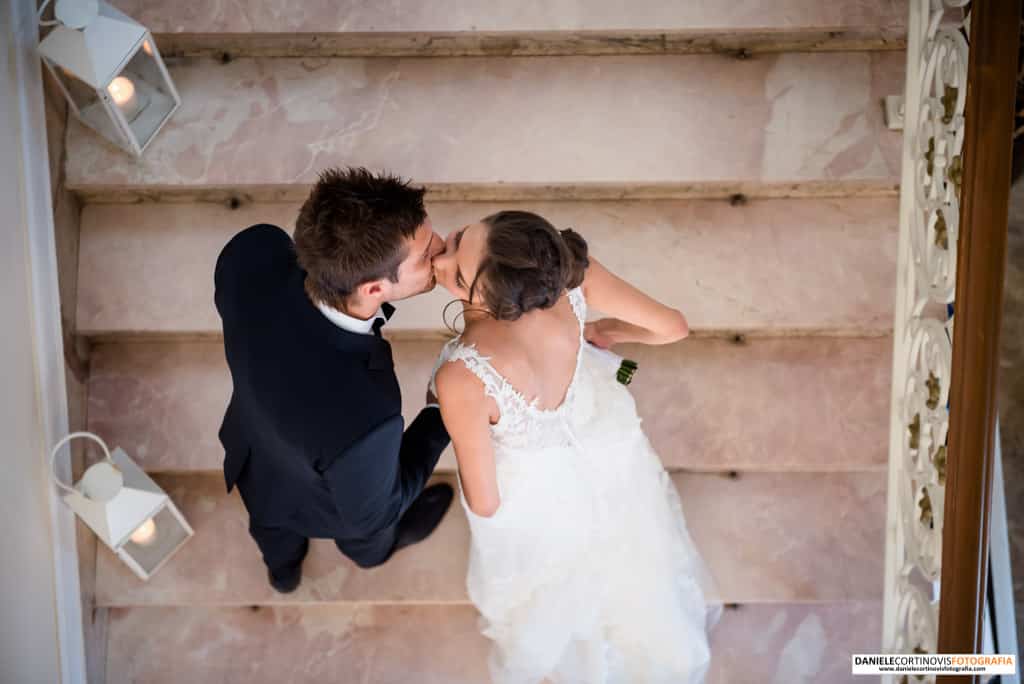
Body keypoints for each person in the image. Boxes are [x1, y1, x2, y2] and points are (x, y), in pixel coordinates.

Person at [429, 210, 722, 683]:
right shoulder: (568, 274)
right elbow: (673, 327)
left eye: (458, 272)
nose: (440, 257)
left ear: (493, 300)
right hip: (604, 441)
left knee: (548, 579)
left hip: (536, 490)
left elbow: (485, 502)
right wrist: (610, 333)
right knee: (629, 542)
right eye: (457, 240)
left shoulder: (464, 378)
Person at [213, 167, 453, 593]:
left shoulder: (252, 254)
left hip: (258, 462)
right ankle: (374, 555)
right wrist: (440, 409)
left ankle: (283, 573)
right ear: (374, 290)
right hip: (332, 500)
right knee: (370, 536)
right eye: (425, 254)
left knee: (270, 527)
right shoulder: (366, 415)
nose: (442, 249)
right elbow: (373, 514)